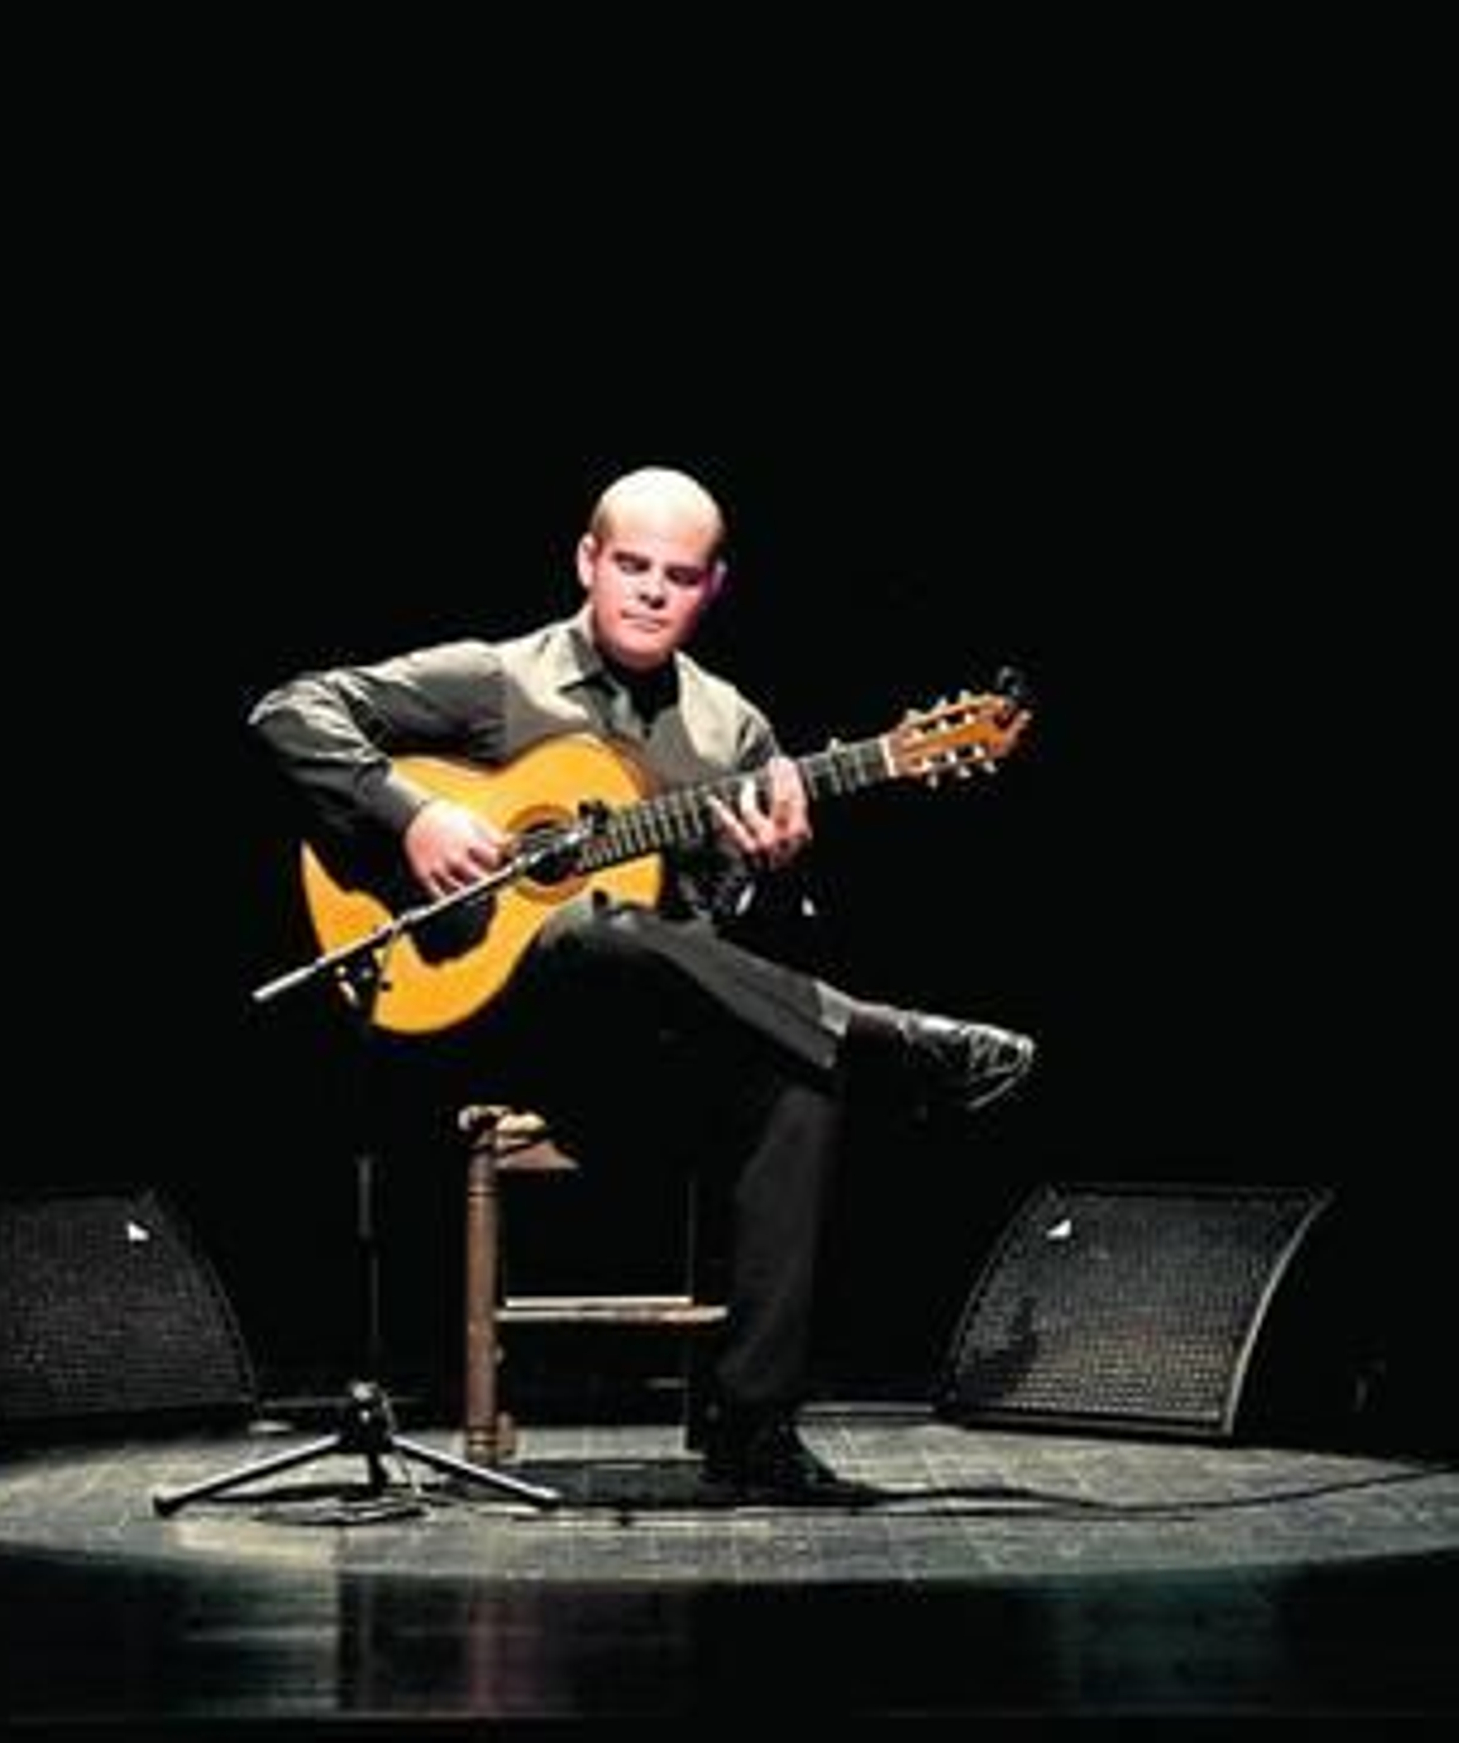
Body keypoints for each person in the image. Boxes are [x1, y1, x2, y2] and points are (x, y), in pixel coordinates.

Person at [247, 464, 1035, 1503]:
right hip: (490, 1024)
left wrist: (765, 873)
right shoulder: (499, 679)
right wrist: (415, 814)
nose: (653, 591)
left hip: (646, 1060)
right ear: (588, 560)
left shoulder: (730, 731)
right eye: (632, 565)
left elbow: (730, 949)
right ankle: (888, 1036)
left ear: (713, 588)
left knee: (797, 1077)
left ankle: (752, 1429)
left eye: (680, 574)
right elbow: (288, 708)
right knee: (596, 929)